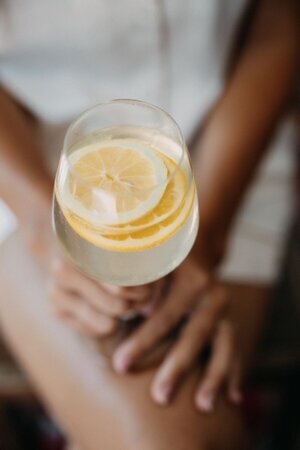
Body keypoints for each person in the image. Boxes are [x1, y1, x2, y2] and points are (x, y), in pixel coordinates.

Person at [0, 0, 298, 449]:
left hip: (226, 143)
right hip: (34, 163)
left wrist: (206, 232)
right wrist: (48, 227)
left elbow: (281, 17)